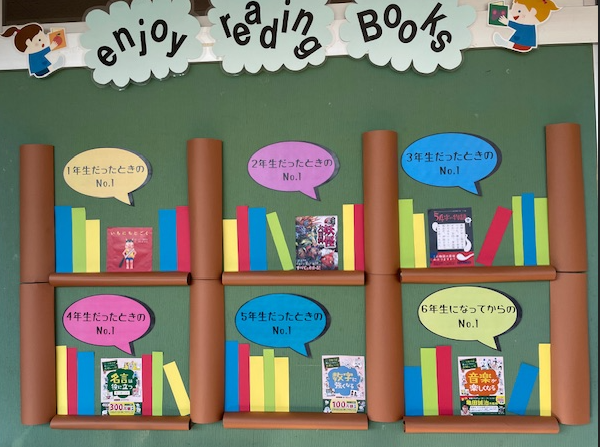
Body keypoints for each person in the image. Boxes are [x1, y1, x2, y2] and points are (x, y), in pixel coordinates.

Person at [1, 23, 65, 78]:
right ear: (28, 42)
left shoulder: (34, 54)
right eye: (39, 40)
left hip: (40, 68)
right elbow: (43, 52)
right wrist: (52, 46)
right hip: (40, 70)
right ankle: (56, 65)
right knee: (49, 68)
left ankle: (56, 65)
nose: (43, 43)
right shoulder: (34, 54)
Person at [493, 0, 560, 53]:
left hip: (523, 44)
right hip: (522, 43)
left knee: (513, 44)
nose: (512, 13)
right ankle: (505, 43)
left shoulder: (528, 26)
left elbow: (518, 26)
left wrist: (507, 22)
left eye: (519, 11)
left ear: (533, 12)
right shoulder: (528, 26)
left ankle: (504, 43)